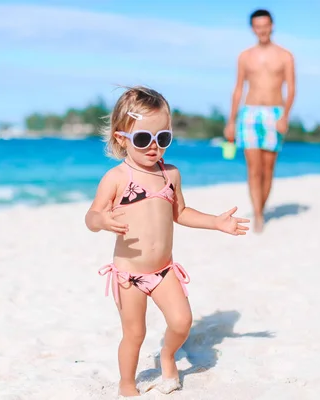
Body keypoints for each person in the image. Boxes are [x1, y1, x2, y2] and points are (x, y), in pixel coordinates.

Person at [85, 86, 250, 397]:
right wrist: (101, 221)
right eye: (144, 139)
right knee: (134, 334)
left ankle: (167, 355)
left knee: (181, 322)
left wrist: (216, 222)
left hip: (163, 270)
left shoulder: (170, 174)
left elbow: (181, 212)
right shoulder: (116, 178)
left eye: (163, 138)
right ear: (122, 139)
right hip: (128, 276)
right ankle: (126, 385)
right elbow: (91, 216)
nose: (154, 147)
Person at [224, 9, 296, 233]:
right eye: (258, 26)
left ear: (272, 26)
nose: (262, 30)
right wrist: (231, 121)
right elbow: (238, 89)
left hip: (274, 113)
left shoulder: (285, 56)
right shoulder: (245, 56)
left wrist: (285, 116)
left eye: (265, 25)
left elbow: (291, 88)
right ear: (252, 28)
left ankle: (261, 208)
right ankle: (257, 214)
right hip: (249, 114)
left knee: (268, 168)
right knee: (253, 169)